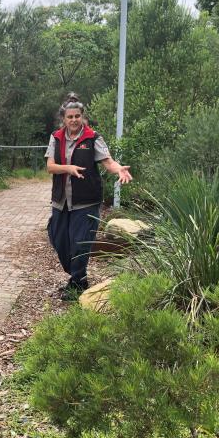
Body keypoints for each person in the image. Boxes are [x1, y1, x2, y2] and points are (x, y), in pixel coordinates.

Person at [45, 100, 132, 299]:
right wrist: (68, 168)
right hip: (61, 200)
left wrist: (118, 169)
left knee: (80, 243)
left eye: (77, 116)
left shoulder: (93, 138)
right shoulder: (56, 138)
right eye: (70, 117)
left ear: (82, 116)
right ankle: (76, 276)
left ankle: (78, 281)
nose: (74, 120)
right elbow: (50, 166)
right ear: (64, 119)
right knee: (59, 240)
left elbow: (108, 162)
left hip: (86, 201)